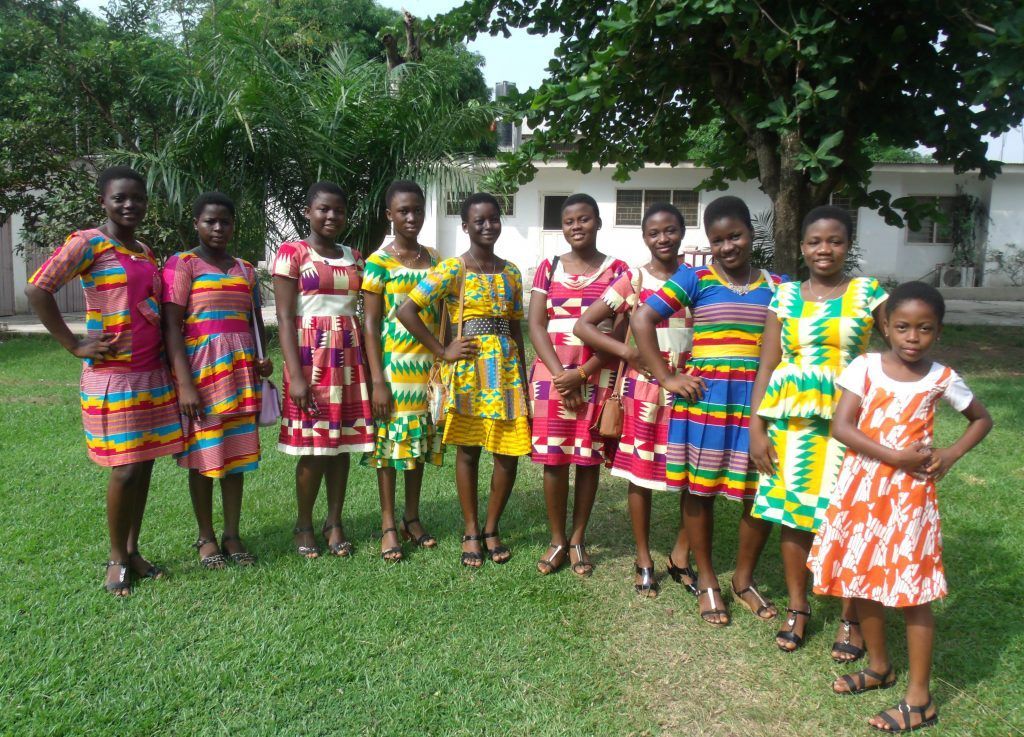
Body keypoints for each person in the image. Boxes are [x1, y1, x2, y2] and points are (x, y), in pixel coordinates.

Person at [809, 282, 992, 733]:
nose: (913, 337)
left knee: (913, 593)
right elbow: (841, 426)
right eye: (903, 327)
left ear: (938, 332)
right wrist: (892, 456)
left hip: (910, 501)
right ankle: (879, 667)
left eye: (924, 329)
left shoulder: (941, 378)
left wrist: (948, 455)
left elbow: (982, 419)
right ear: (885, 327)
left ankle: (920, 699)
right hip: (861, 493)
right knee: (863, 578)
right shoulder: (865, 366)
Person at [25, 166, 183, 595]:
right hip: (114, 375)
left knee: (145, 463)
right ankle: (116, 557)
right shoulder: (88, 243)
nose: (130, 205)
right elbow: (39, 289)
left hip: (152, 372)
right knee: (126, 468)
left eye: (138, 198)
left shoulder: (143, 250)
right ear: (103, 202)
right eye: (120, 198)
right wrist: (74, 344)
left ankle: (133, 550)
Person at [631, 195, 782, 627]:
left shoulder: (777, 285)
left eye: (735, 236)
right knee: (700, 491)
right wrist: (667, 378)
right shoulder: (694, 278)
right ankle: (710, 580)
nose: (727, 246)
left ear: (751, 234)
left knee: (759, 490)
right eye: (717, 240)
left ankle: (744, 578)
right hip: (706, 403)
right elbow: (643, 320)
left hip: (758, 405)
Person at [749, 205, 888, 654]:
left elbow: (906, 343)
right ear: (803, 247)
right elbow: (768, 365)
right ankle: (798, 607)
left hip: (849, 424)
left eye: (834, 241)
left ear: (848, 245)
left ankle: (850, 617)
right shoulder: (785, 296)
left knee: (845, 519)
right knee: (795, 518)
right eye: (814, 241)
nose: (824, 249)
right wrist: (756, 428)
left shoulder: (869, 293)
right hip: (792, 425)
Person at [397, 193, 530, 568]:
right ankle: (471, 530)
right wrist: (441, 350)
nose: (488, 226)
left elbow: (516, 330)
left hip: (505, 374)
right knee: (469, 451)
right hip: (470, 373)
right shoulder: (455, 269)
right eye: (479, 221)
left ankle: (492, 528)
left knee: (507, 454)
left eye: (494, 219)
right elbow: (407, 310)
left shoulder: (513, 272)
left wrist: (521, 373)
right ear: (466, 226)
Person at [574, 202, 694, 596]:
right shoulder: (634, 281)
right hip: (643, 391)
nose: (664, 238)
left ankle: (681, 554)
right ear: (645, 238)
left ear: (682, 232)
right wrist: (629, 354)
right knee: (640, 476)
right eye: (654, 232)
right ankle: (643, 558)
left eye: (671, 230)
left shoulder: (698, 280)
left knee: (692, 477)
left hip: (690, 388)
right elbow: (584, 325)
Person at [162, 192, 272, 568]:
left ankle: (232, 534)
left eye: (225, 221)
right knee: (204, 459)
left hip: (241, 374)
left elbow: (254, 320)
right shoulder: (183, 264)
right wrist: (185, 384)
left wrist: (262, 357)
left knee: (236, 457)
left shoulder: (245, 269)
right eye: (210, 221)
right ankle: (206, 536)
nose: (218, 228)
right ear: (197, 223)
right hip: (203, 374)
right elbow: (172, 327)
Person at [273, 181, 374, 559]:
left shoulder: (355, 256)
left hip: (348, 355)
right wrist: (295, 376)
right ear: (308, 212)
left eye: (339, 211)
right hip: (310, 356)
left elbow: (363, 311)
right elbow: (284, 317)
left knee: (342, 443)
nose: (332, 217)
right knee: (315, 446)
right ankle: (303, 524)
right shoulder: (291, 253)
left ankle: (335, 522)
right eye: (324, 209)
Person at [528, 193, 628, 577]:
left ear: (598, 222)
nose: (576, 226)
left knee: (588, 459)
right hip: (552, 374)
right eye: (569, 221)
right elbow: (537, 325)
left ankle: (578, 539)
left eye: (584, 219)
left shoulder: (619, 270)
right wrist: (560, 376)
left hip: (595, 373)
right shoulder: (547, 267)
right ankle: (556, 539)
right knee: (554, 459)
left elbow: (618, 335)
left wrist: (582, 374)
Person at [362, 180, 443, 561]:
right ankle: (389, 524)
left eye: (417, 210)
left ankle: (412, 517)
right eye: (403, 211)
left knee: (417, 444)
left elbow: (442, 315)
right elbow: (371, 325)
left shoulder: (435, 258)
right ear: (389, 215)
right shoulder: (378, 263)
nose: (412, 218)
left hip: (427, 370)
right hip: (394, 370)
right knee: (390, 448)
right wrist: (377, 380)